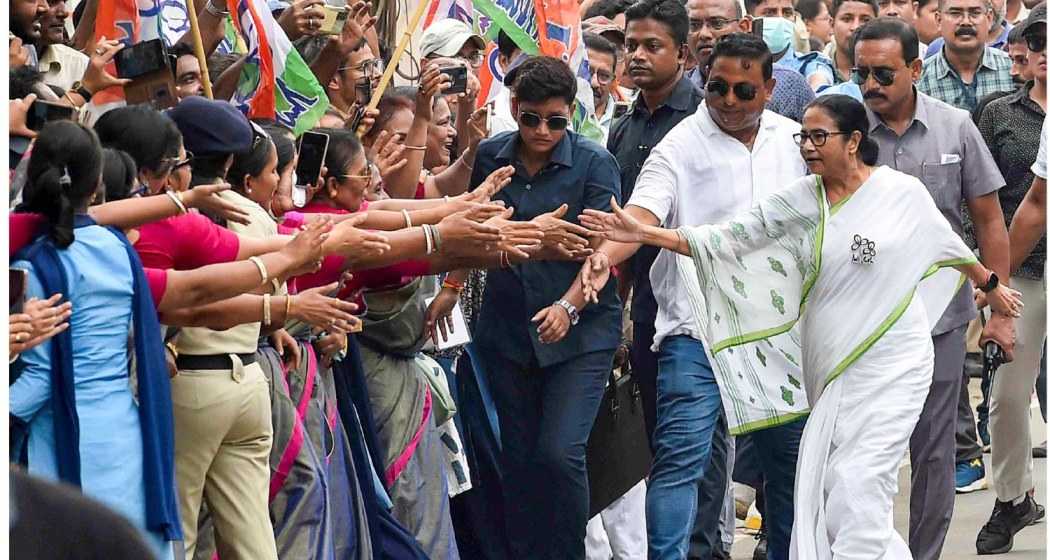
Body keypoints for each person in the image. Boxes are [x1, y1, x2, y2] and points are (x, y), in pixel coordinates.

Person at [578, 93, 1022, 560]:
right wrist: (646, 233)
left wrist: (991, 286)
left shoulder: (899, 192)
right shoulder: (801, 201)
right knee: (837, 487)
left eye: (818, 137)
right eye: (802, 137)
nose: (807, 147)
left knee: (859, 482)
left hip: (895, 361)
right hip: (831, 368)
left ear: (853, 141)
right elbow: (729, 238)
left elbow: (946, 243)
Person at [577, 33, 808, 560]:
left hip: (778, 337)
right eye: (718, 88)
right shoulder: (680, 145)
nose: (728, 100)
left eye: (743, 90)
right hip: (695, 333)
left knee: (787, 466)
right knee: (681, 460)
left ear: (769, 89)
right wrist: (603, 255)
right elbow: (639, 218)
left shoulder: (797, 143)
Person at [850, 17, 1017, 560]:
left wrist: (999, 309)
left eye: (883, 73)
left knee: (934, 452)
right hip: (861, 324)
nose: (871, 85)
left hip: (940, 319)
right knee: (859, 451)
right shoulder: (845, 133)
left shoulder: (955, 128)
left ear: (915, 69)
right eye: (861, 74)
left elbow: (989, 221)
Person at [467, 55, 623, 560]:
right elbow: (471, 228)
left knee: (559, 454)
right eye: (531, 118)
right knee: (519, 458)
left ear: (571, 115)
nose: (542, 130)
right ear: (515, 108)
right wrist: (451, 284)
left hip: (580, 334)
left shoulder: (595, 163)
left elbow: (601, 249)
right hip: (509, 331)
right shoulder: (492, 156)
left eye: (556, 121)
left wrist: (569, 307)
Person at [10, 120, 182, 558]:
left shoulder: (31, 268)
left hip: (67, 443)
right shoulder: (118, 248)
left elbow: (42, 382)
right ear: (98, 184)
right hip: (126, 435)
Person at [974, 5, 1047, 553]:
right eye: (1035, 45)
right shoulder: (1000, 113)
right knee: (1007, 394)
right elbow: (1021, 206)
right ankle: (1011, 498)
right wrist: (991, 280)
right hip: (1023, 271)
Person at [686, 0, 816, 122]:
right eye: (694, 25)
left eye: (717, 23)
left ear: (744, 26)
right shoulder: (679, 90)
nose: (704, 34)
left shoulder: (789, 86)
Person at [917, 0, 1014, 112]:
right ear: (939, 20)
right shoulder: (920, 79)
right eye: (955, 13)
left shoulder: (1012, 70)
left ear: (989, 19)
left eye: (975, 13)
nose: (966, 22)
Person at [746, 0, 837, 89]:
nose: (780, 19)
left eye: (787, 12)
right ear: (748, 23)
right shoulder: (737, 66)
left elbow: (819, 80)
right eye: (770, 12)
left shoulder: (809, 64)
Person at [822, 0, 879, 82]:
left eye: (865, 20)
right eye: (847, 19)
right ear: (832, 24)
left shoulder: (888, 75)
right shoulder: (813, 70)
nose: (856, 27)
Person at [585, 32, 621, 144]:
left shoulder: (625, 121)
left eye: (604, 76)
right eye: (587, 72)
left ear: (613, 81)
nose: (594, 83)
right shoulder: (558, 118)